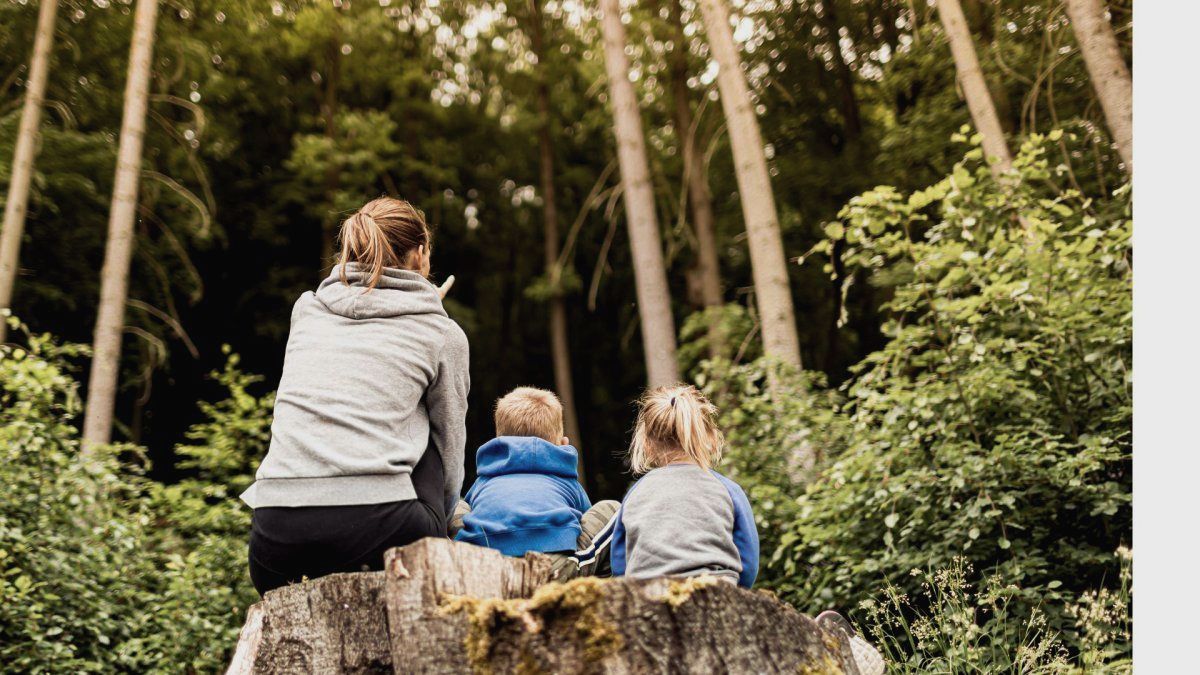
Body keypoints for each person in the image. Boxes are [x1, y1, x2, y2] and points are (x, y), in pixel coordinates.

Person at [242, 196, 469, 596]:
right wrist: (448, 518)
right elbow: (449, 443)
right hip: (380, 532)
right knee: (428, 429)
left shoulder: (307, 310)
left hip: (274, 541)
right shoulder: (441, 333)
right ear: (419, 255)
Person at [454, 387, 619, 580]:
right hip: (552, 569)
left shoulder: (486, 478)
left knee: (456, 503)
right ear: (563, 443)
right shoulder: (565, 478)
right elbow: (582, 524)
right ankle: (595, 590)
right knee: (613, 510)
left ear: (498, 443)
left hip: (485, 565)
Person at [609, 384, 759, 588]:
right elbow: (748, 564)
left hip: (648, 600)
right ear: (712, 439)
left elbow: (619, 562)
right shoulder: (728, 490)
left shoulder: (637, 492)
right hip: (716, 597)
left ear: (647, 444)